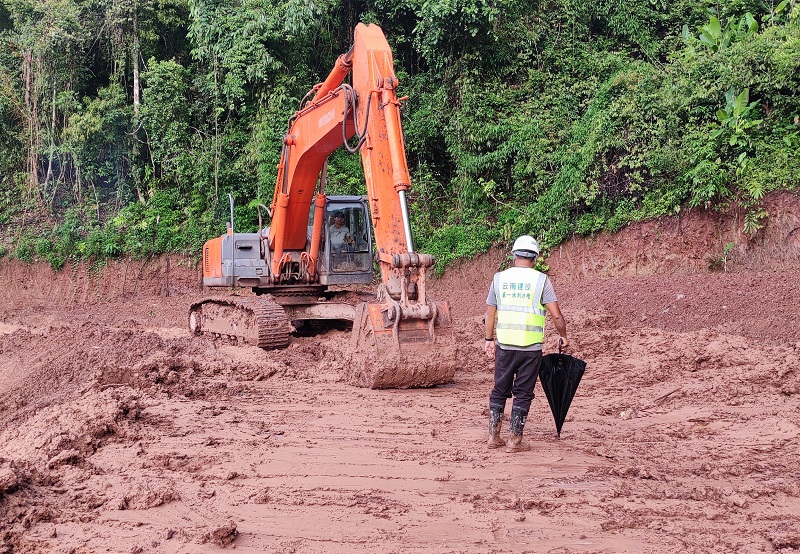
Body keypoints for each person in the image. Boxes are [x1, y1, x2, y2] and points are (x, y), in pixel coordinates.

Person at [483, 235, 569, 453]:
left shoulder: (499, 279)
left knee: (499, 389)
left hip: (505, 346)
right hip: (530, 349)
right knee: (523, 393)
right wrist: (564, 336)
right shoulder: (541, 281)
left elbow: (489, 313)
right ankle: (514, 441)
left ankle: (493, 436)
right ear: (535, 257)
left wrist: (488, 340)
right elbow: (557, 316)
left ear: (514, 255)